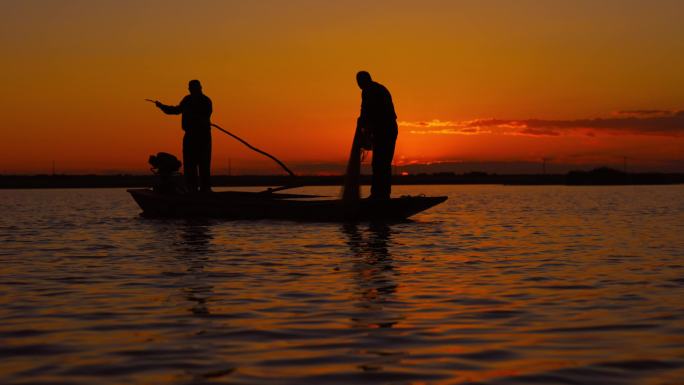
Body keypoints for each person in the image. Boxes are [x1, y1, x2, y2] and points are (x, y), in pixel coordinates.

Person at [154, 80, 213, 193]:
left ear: (200, 88)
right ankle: (192, 189)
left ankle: (206, 190)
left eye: (193, 88)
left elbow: (206, 114)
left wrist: (194, 115)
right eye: (190, 88)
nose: (191, 90)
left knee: (204, 163)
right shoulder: (187, 100)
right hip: (190, 136)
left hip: (203, 136)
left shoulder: (206, 101)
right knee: (190, 164)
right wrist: (161, 106)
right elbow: (176, 110)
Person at [356, 71, 398, 200]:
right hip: (386, 129)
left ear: (365, 81)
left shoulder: (370, 91)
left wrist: (363, 126)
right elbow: (367, 114)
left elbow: (367, 113)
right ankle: (382, 195)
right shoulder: (377, 89)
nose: (359, 85)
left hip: (385, 130)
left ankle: (379, 196)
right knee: (382, 164)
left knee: (380, 163)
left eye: (360, 82)